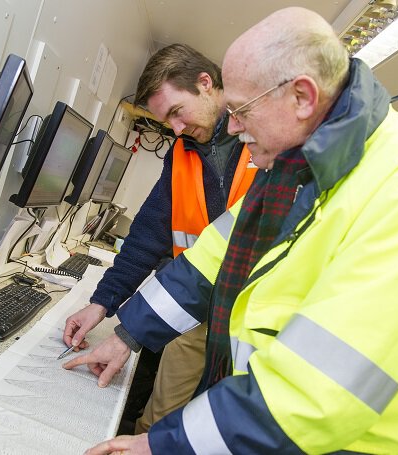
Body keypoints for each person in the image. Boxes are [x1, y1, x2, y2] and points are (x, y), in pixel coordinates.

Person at [64, 6, 398, 454]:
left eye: (242, 111)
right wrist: (126, 337)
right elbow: (210, 261)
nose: (234, 126)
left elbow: (316, 390)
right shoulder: (296, 170)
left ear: (301, 97)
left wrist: (163, 445)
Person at [62, 43, 257, 433]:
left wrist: (128, 333)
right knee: (158, 421)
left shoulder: (265, 140)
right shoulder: (183, 153)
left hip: (255, 316)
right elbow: (147, 237)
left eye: (176, 113)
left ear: (206, 83)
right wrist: (102, 303)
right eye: (168, 121)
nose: (177, 130)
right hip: (197, 308)